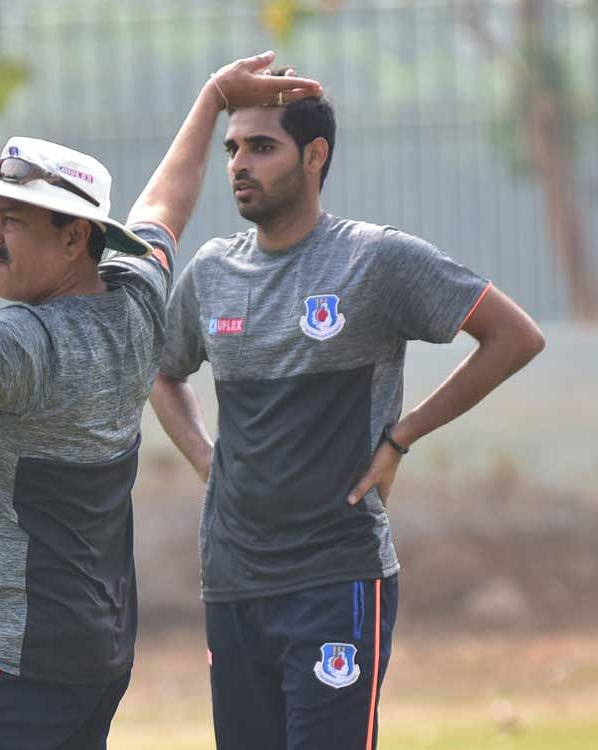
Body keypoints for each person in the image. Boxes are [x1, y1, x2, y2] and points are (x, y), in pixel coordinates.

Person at [0, 54, 321, 750]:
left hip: (8, 666)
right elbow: (165, 207)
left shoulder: (27, 345)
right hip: (93, 662)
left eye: (12, 220)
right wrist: (212, 100)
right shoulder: (138, 297)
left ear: (76, 237)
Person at [149, 70, 546, 750]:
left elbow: (515, 336)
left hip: (336, 579)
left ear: (315, 156)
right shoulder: (212, 271)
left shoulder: (375, 260)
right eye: (233, 149)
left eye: (262, 148)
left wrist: (403, 436)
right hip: (233, 582)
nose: (240, 164)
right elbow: (162, 371)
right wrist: (207, 459)